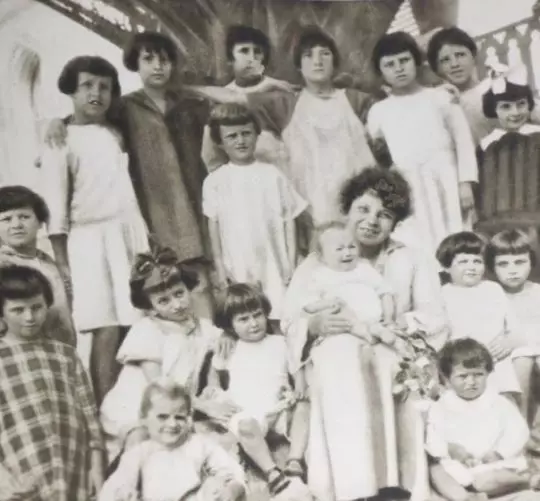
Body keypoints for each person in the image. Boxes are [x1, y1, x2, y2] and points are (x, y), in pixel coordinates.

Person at [283, 167, 448, 501]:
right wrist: (313, 325)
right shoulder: (316, 261)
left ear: (395, 222)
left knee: (388, 366)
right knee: (341, 361)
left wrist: (394, 326)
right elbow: (290, 319)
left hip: (391, 347)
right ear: (347, 210)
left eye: (384, 215)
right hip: (333, 349)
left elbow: (435, 318)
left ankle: (394, 484)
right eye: (363, 209)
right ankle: (351, 485)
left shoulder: (410, 259)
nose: (372, 220)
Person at [188, 25, 378, 228]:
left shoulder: (357, 100)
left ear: (335, 61)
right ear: (299, 66)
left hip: (361, 208)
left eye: (325, 53)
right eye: (308, 55)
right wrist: (183, 88)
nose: (318, 61)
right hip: (313, 211)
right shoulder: (285, 103)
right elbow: (232, 97)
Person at [39, 55, 149, 405]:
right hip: (89, 239)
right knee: (106, 325)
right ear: (71, 92)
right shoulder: (61, 139)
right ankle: (102, 408)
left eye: (104, 87)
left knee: (136, 320)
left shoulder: (116, 132)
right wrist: (62, 260)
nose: (96, 93)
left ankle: (130, 406)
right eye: (86, 86)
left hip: (128, 235)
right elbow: (55, 207)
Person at [100, 246, 222, 464]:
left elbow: (215, 353)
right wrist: (200, 405)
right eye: (164, 301)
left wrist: (213, 388)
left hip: (178, 405)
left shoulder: (202, 327)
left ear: (188, 288)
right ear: (151, 308)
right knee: (140, 440)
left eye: (179, 294)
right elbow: (159, 387)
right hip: (139, 404)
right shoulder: (147, 330)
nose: (177, 305)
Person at [367, 31, 478, 255]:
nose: (399, 68)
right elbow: (379, 154)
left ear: (416, 62)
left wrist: (465, 183)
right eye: (390, 64)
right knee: (420, 240)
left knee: (455, 235)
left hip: (446, 179)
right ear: (380, 71)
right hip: (410, 185)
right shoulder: (378, 111)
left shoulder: (440, 97)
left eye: (404, 60)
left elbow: (463, 141)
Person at [0, 265, 104, 501]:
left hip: (71, 464)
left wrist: (96, 466)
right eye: (18, 310)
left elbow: (90, 417)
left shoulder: (65, 355)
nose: (29, 317)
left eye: (37, 307)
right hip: (18, 472)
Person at [204, 283, 311, 499]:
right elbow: (214, 373)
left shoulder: (280, 343)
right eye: (244, 319)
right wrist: (214, 390)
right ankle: (272, 472)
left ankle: (294, 461)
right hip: (248, 411)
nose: (253, 323)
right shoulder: (230, 347)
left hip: (280, 407)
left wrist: (298, 388)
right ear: (230, 325)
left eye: (257, 315)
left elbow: (296, 370)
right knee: (245, 426)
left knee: (305, 407)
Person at [202, 103, 306, 318]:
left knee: (280, 310)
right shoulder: (215, 181)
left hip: (273, 258)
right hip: (238, 259)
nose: (241, 141)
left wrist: (290, 262)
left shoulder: (272, 174)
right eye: (232, 136)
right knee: (246, 312)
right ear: (220, 142)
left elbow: (289, 221)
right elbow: (214, 226)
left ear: (257, 134)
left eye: (246, 133)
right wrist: (220, 266)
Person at [426, 338, 540, 501]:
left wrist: (500, 453)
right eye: (463, 376)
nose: (471, 382)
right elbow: (433, 437)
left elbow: (518, 431)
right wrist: (449, 448)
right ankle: (465, 497)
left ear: (487, 373)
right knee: (436, 472)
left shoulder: (498, 402)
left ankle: (528, 481)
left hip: (493, 465)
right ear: (447, 379)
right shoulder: (441, 406)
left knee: (488, 480)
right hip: (457, 465)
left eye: (478, 375)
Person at [99, 381, 246, 501]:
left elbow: (231, 470)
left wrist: (232, 488)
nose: (172, 424)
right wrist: (122, 493)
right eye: (162, 417)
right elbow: (115, 485)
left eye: (179, 417)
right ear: (143, 418)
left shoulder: (200, 444)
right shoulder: (140, 452)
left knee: (214, 485)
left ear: (189, 418)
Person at [436, 231, 521, 395]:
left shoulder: (493, 289)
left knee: (504, 397)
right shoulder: (443, 294)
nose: (471, 267)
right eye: (463, 261)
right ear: (446, 266)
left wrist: (509, 341)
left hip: (497, 359)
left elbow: (515, 327)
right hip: (462, 361)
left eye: (477, 261)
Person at [426, 26, 540, 145]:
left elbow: (535, 111)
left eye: (460, 55)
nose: (454, 64)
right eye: (445, 60)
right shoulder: (442, 104)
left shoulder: (497, 86)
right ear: (436, 68)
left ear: (473, 56)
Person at [201, 24, 288, 172]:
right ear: (230, 59)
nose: (252, 58)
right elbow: (212, 154)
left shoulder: (279, 90)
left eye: (257, 52)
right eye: (244, 51)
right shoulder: (219, 97)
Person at [0, 185, 74, 346]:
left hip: (59, 347)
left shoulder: (49, 263)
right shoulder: (4, 265)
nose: (16, 225)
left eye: (24, 217)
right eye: (6, 219)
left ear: (40, 222)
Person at [301, 220, 395, 331]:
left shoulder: (365, 269)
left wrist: (388, 318)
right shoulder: (320, 275)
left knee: (389, 334)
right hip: (343, 326)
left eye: (352, 247)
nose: (347, 253)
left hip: (375, 323)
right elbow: (309, 305)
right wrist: (328, 304)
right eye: (339, 249)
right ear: (322, 257)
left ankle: (375, 335)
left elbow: (385, 293)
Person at [475, 66, 540, 225]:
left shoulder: (537, 136)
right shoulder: (487, 145)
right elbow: (485, 191)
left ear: (529, 104)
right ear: (494, 109)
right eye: (506, 107)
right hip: (498, 220)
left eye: (521, 104)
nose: (515, 112)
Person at [487, 229, 540, 418]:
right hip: (504, 358)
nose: (512, 270)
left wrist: (521, 338)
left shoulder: (537, 293)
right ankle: (519, 421)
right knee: (521, 357)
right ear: (492, 266)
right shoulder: (489, 294)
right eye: (503, 264)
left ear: (531, 262)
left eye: (520, 262)